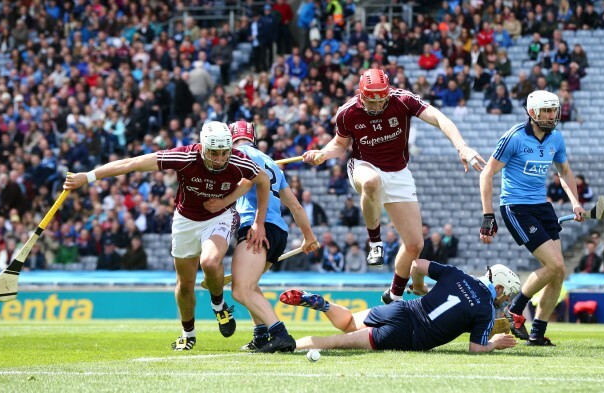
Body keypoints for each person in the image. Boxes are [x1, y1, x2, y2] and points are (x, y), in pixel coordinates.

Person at [64, 121, 271, 351]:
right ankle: (188, 334)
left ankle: (218, 305)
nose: (221, 159)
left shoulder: (238, 160)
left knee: (210, 261)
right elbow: (132, 163)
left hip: (219, 218)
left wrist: (258, 222)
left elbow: (262, 180)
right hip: (185, 221)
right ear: (203, 148)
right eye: (215, 153)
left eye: (225, 152)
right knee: (185, 285)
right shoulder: (184, 157)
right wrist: (89, 177)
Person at [302, 67, 486, 306]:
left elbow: (440, 118)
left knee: (414, 245)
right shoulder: (347, 113)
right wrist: (323, 154)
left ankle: (394, 296)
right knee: (371, 182)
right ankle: (375, 242)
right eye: (372, 100)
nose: (378, 105)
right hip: (364, 165)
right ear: (362, 94)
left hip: (399, 172)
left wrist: (462, 147)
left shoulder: (403, 100)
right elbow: (340, 144)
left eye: (382, 99)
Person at [480, 90, 586, 346]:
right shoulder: (514, 137)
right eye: (546, 111)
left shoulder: (556, 138)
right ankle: (516, 309)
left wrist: (575, 203)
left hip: (542, 207)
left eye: (554, 110)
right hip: (517, 207)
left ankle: (537, 332)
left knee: (558, 273)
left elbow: (565, 171)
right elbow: (487, 173)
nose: (552, 115)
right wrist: (488, 215)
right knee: (556, 265)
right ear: (532, 113)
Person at [205, 120, 319, 353]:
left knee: (240, 290)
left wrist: (227, 204)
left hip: (258, 228)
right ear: (253, 137)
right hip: (279, 233)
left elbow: (248, 182)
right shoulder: (271, 163)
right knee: (250, 285)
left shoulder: (236, 155)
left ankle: (280, 334)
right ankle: (260, 335)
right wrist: (308, 237)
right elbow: (296, 207)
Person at [281, 260, 520, 352]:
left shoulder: (457, 274)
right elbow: (476, 349)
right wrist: (494, 344)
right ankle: (287, 347)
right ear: (498, 288)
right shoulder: (485, 310)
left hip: (402, 308)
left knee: (348, 323)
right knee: (332, 343)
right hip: (408, 335)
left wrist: (420, 287)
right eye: (506, 295)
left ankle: (323, 305)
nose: (505, 300)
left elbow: (416, 264)